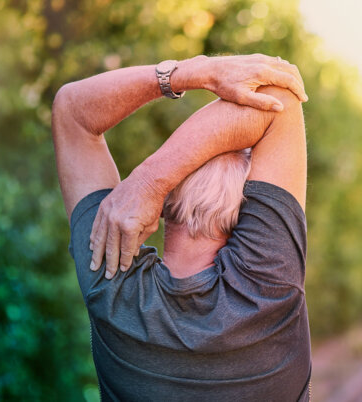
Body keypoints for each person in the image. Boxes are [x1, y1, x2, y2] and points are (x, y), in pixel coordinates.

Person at [52, 54, 311, 401]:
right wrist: (151, 180)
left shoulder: (109, 278)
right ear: (250, 215)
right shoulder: (268, 282)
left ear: (165, 203)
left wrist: (193, 72)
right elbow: (278, 99)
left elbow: (71, 111)